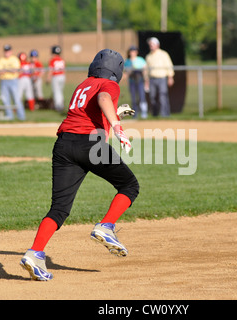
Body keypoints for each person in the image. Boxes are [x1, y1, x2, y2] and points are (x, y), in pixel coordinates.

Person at [20, 49, 139, 281]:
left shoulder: (84, 84)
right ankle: (106, 226)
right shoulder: (110, 85)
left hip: (64, 145)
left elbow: (87, 112)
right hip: (90, 145)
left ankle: (34, 253)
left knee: (59, 208)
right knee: (129, 186)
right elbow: (103, 99)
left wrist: (114, 115)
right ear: (117, 70)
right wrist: (118, 128)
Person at [145, 37, 174, 117]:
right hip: (152, 79)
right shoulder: (148, 56)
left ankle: (165, 114)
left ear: (157, 45)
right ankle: (155, 114)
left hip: (162, 78)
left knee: (162, 96)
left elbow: (169, 66)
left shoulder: (163, 54)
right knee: (152, 97)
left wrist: (170, 77)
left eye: (152, 44)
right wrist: (146, 80)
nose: (151, 46)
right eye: (150, 44)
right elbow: (147, 70)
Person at [0, 44, 25, 121]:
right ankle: (9, 117)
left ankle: (21, 117)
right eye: (5, 51)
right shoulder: (1, 60)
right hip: (4, 81)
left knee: (16, 99)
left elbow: (15, 70)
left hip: (13, 80)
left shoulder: (14, 59)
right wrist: (9, 70)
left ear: (11, 51)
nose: (7, 53)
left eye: (8, 51)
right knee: (5, 100)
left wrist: (5, 70)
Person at [124, 45, 148, 119]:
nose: (133, 53)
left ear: (136, 52)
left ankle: (144, 113)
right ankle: (135, 114)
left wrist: (146, 80)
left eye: (134, 51)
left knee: (142, 97)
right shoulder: (127, 61)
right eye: (131, 51)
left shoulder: (140, 60)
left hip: (140, 81)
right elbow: (126, 74)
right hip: (132, 81)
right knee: (133, 98)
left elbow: (145, 71)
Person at [47, 45, 65, 112]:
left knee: (56, 92)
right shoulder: (61, 59)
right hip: (62, 76)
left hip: (56, 77)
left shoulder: (53, 60)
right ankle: (61, 104)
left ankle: (58, 106)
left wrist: (48, 78)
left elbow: (50, 70)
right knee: (60, 91)